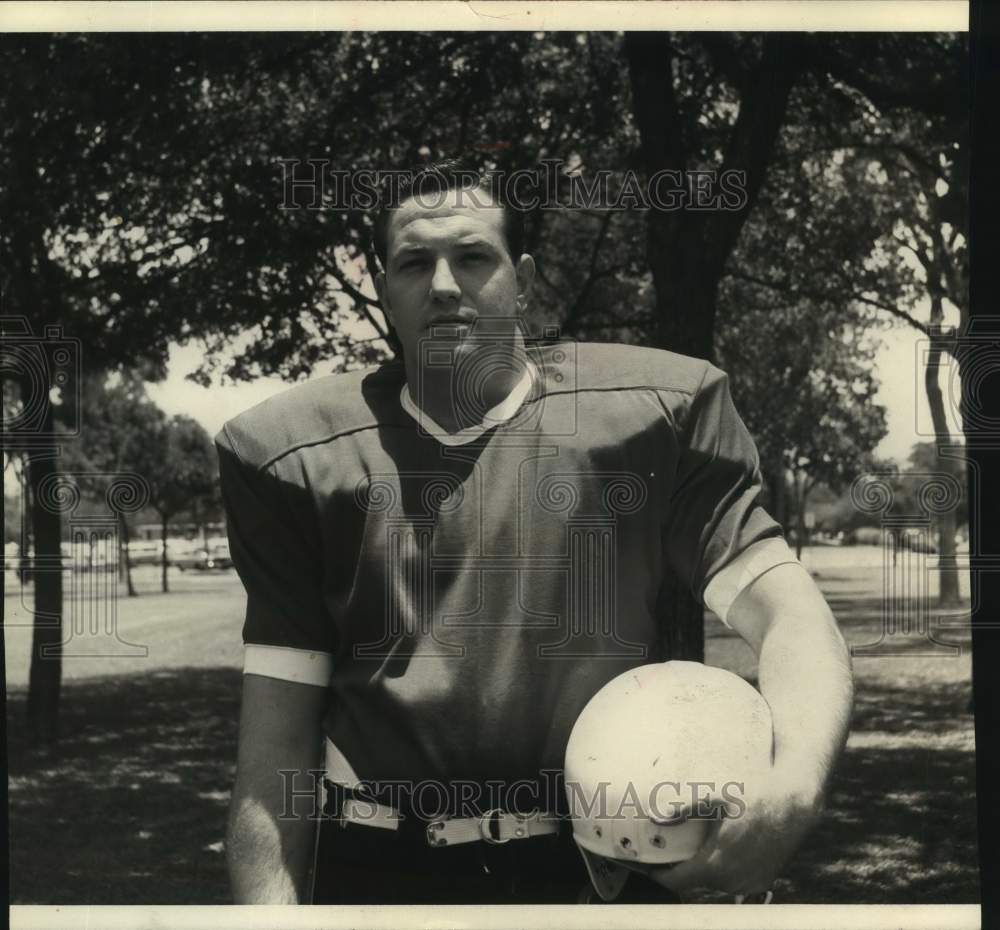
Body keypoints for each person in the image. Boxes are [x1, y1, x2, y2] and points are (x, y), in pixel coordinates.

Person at [216, 160, 854, 905]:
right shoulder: (296, 458)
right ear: (384, 289)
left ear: (523, 279)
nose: (445, 284)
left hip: (606, 864)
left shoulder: (655, 417)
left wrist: (796, 787)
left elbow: (791, 617)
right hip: (384, 869)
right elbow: (274, 750)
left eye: (474, 257)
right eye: (415, 263)